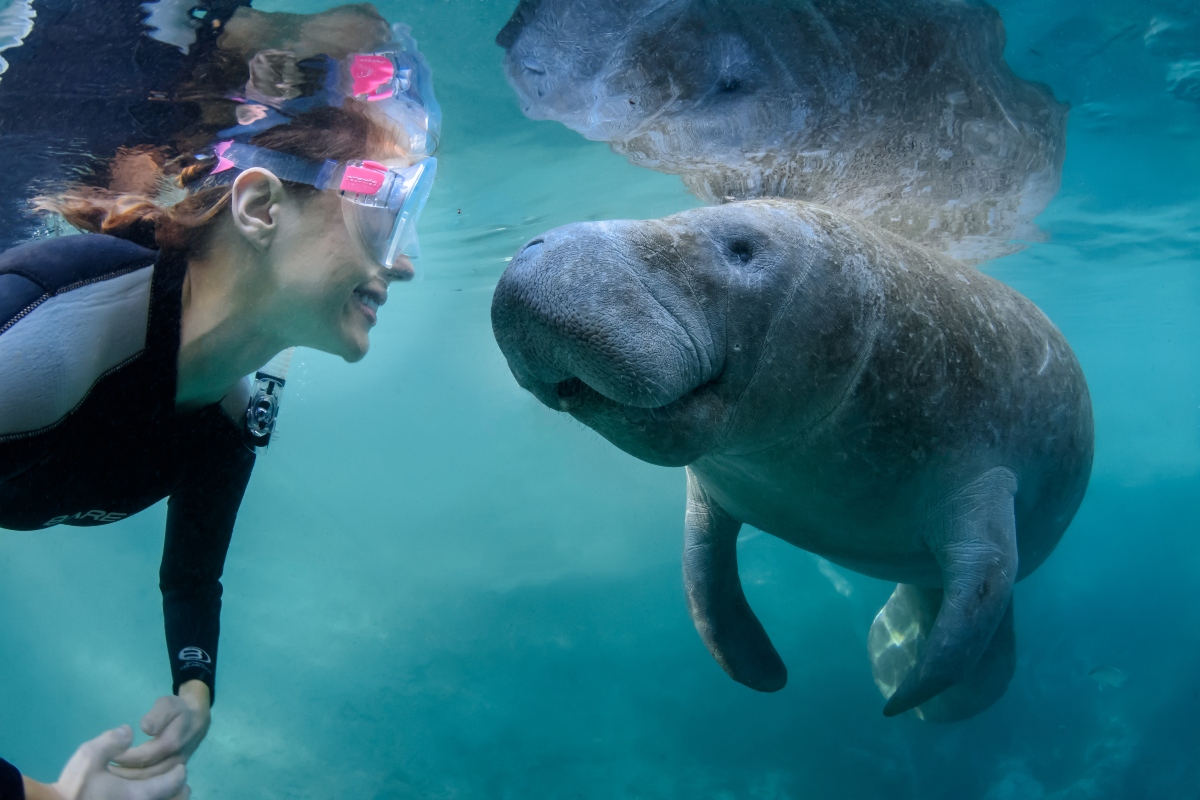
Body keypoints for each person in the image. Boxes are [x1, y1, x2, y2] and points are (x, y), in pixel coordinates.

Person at [0, 95, 436, 798]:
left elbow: (191, 580)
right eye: (382, 212)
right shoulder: (51, 334)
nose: (406, 260)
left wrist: (193, 690)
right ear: (261, 207)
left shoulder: (232, 410)